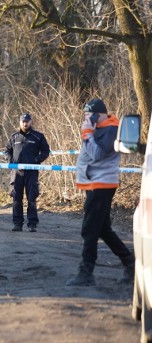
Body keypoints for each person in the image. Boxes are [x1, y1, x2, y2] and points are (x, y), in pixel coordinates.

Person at [66, 98, 135, 287]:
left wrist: (87, 133)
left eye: (90, 114)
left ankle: (86, 273)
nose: (87, 118)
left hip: (101, 185)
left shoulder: (110, 129)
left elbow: (97, 154)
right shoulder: (101, 129)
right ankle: (129, 262)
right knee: (103, 229)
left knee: (89, 230)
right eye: (86, 115)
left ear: (100, 114)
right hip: (95, 184)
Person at [4, 113, 50, 232]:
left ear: (30, 122)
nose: (25, 123)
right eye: (23, 121)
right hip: (17, 173)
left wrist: (36, 160)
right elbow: (7, 151)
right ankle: (17, 224)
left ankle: (32, 224)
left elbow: (46, 151)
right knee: (16, 198)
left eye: (27, 121)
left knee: (31, 198)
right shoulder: (14, 136)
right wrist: (11, 161)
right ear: (20, 122)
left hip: (32, 172)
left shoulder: (38, 136)